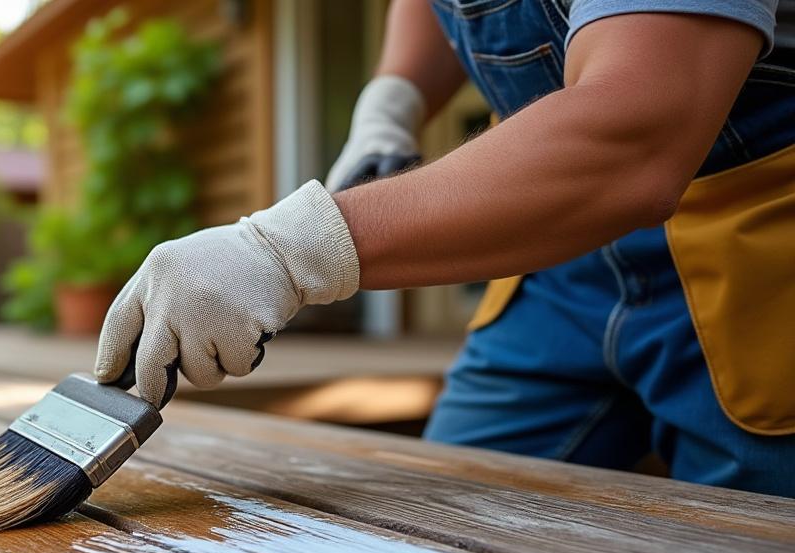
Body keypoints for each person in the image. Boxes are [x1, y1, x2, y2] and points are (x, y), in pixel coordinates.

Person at [93, 0, 795, 497]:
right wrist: (391, 100)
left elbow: (635, 137)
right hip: (550, 263)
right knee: (442, 515)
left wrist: (289, 251)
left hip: (758, 260)